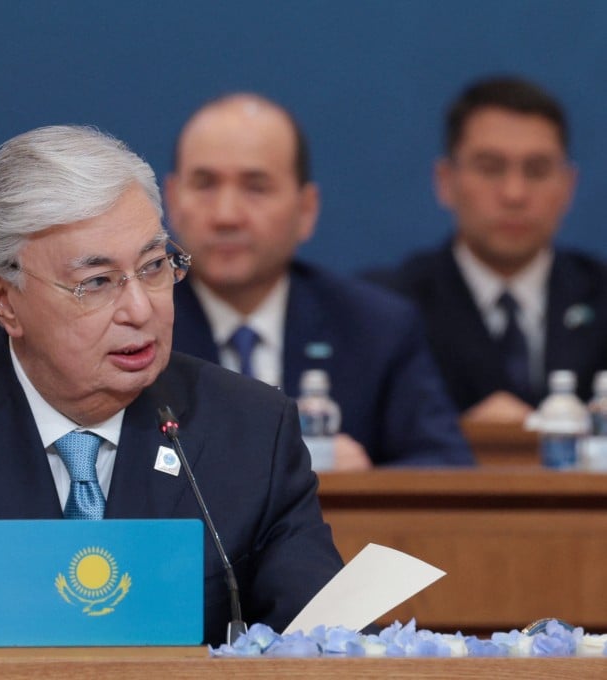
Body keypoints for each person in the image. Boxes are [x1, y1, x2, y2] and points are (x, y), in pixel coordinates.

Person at [0, 125, 344, 647]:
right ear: (2, 298)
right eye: (95, 283)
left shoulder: (250, 429)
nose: (140, 309)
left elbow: (324, 639)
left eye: (154, 266)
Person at [166, 93, 472, 469]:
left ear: (306, 211)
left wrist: (365, 479)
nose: (226, 215)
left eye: (255, 187)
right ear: (173, 200)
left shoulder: (375, 328)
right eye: (205, 184)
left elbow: (445, 465)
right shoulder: (134, 326)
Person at [368, 76, 607, 422]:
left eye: (537, 170)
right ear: (446, 181)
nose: (514, 194)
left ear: (568, 187)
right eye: (490, 168)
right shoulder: (388, 309)